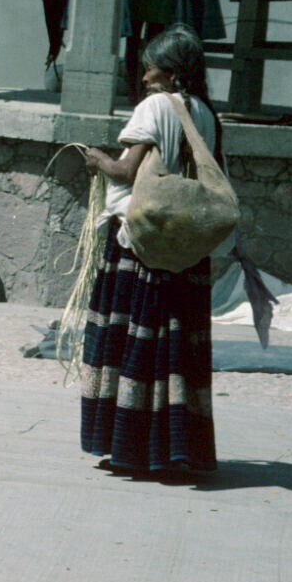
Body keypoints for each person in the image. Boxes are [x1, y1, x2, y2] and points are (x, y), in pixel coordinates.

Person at [78, 24, 222, 476]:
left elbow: (125, 172)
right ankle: (172, 448)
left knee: (134, 343)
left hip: (141, 240)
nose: (143, 78)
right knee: (173, 348)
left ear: (172, 73)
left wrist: (97, 160)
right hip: (185, 243)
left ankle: (132, 448)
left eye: (150, 69)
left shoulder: (156, 106)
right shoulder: (208, 115)